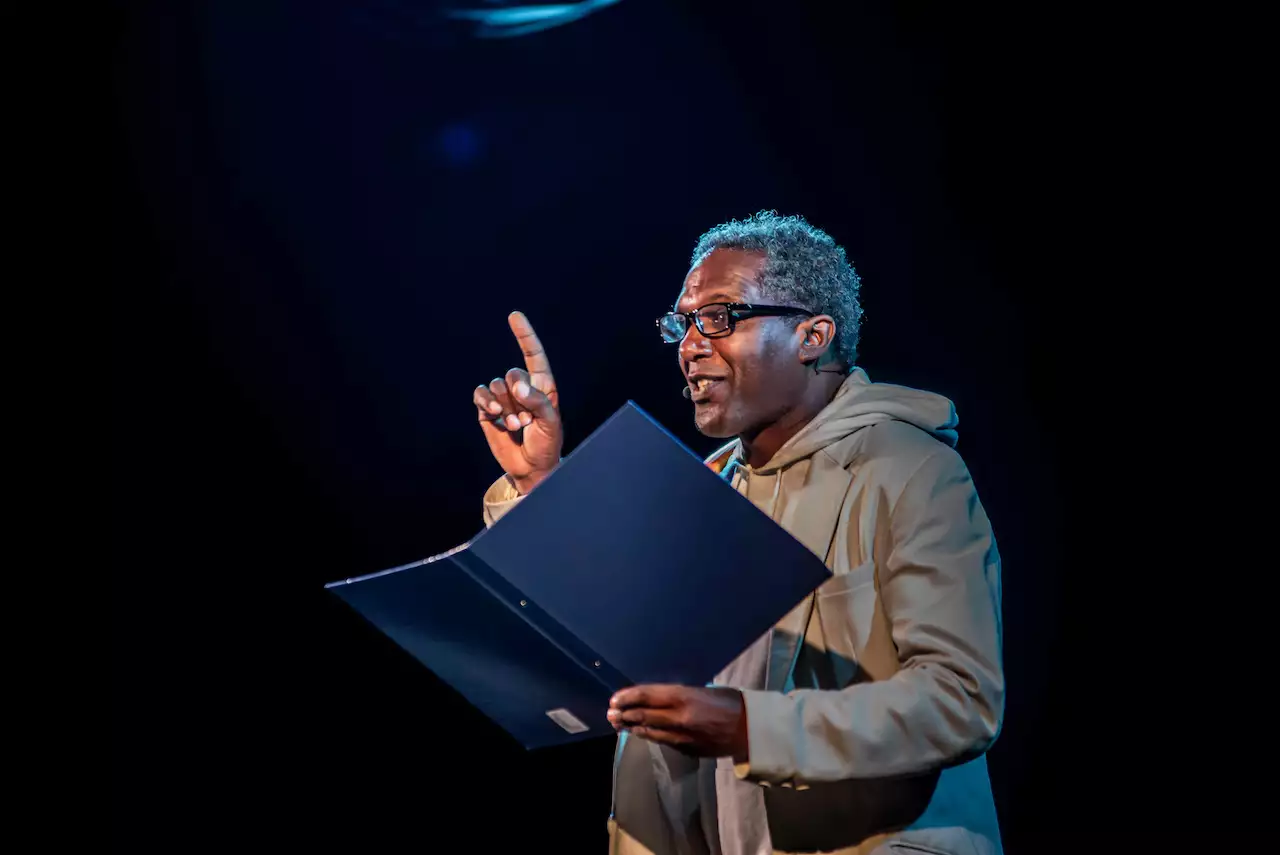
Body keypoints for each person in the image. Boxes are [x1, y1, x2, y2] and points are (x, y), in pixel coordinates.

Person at [472, 211, 1004, 855]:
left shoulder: (910, 469)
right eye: (682, 323)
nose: (690, 345)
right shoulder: (703, 489)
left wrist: (752, 728)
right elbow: (605, 643)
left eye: (719, 318)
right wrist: (540, 484)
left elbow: (960, 700)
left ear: (812, 335)